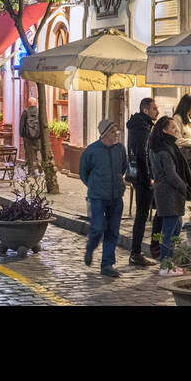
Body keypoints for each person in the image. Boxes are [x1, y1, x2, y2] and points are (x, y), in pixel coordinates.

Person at [80, 119, 128, 277]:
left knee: (113, 231)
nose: (117, 134)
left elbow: (123, 168)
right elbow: (83, 172)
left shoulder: (120, 149)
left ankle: (107, 264)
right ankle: (90, 248)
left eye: (117, 131)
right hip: (98, 197)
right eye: (114, 131)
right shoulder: (92, 151)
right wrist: (94, 185)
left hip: (116, 197)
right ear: (105, 133)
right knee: (98, 228)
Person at [147, 116, 191, 268]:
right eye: (173, 128)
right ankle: (166, 264)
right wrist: (184, 187)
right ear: (165, 130)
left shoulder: (160, 145)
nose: (176, 131)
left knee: (175, 227)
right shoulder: (164, 149)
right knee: (169, 231)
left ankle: (168, 261)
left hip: (167, 192)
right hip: (169, 193)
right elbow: (171, 174)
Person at [125, 96, 161, 265]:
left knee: (143, 214)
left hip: (137, 175)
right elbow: (142, 155)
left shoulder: (139, 125)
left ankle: (137, 252)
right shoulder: (142, 128)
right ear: (146, 110)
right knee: (142, 215)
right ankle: (136, 253)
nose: (157, 111)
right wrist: (149, 179)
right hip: (142, 177)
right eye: (154, 108)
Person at [172, 94, 191, 170]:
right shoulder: (177, 118)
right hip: (185, 157)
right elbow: (178, 140)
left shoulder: (189, 118)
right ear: (186, 105)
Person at [20, 98, 43, 177]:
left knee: (29, 154)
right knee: (38, 151)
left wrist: (22, 135)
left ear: (28, 103)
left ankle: (31, 171)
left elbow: (22, 125)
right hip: (37, 136)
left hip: (28, 137)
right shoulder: (39, 112)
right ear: (36, 103)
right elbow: (42, 123)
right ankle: (39, 163)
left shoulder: (25, 112)